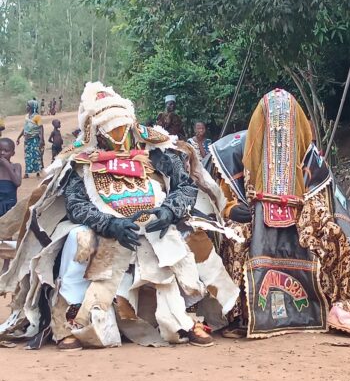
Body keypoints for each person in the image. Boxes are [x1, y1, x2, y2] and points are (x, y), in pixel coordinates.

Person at [0, 82, 237, 351]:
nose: (120, 134)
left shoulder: (156, 151)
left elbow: (185, 186)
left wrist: (170, 209)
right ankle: (65, 319)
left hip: (152, 220)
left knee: (188, 235)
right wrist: (109, 224)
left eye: (123, 126)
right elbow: (76, 205)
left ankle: (186, 315)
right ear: (97, 132)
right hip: (102, 227)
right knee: (80, 239)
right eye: (112, 128)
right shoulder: (80, 160)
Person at [206, 88, 350, 339]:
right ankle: (239, 312)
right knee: (235, 236)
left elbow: (328, 205)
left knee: (331, 235)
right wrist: (230, 208)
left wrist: (309, 216)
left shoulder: (310, 158)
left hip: (299, 228)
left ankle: (321, 303)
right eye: (271, 132)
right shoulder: (231, 152)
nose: (279, 138)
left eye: (286, 133)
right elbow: (214, 199)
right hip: (251, 226)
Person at [16, 101, 44, 178]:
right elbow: (25, 128)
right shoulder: (27, 116)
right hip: (27, 140)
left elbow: (41, 128)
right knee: (27, 156)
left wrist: (42, 139)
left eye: (27, 106)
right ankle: (27, 173)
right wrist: (19, 137)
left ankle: (38, 172)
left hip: (35, 139)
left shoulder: (37, 117)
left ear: (32, 107)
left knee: (36, 155)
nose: (26, 107)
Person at [0, 138, 21, 217]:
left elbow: (17, 183)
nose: (2, 153)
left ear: (13, 153)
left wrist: (8, 166)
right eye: (0, 150)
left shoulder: (16, 166)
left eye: (6, 151)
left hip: (10, 205)